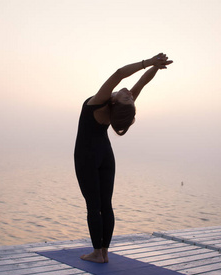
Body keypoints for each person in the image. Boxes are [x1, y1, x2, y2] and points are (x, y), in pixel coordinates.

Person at [74, 53, 173, 263]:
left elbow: (119, 74)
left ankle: (97, 253)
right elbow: (142, 83)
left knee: (94, 206)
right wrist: (156, 66)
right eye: (129, 96)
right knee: (106, 205)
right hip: (106, 155)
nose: (128, 92)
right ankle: (105, 252)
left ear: (120, 102)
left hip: (86, 156)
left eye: (127, 96)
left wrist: (148, 62)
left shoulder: (100, 102)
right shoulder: (117, 108)